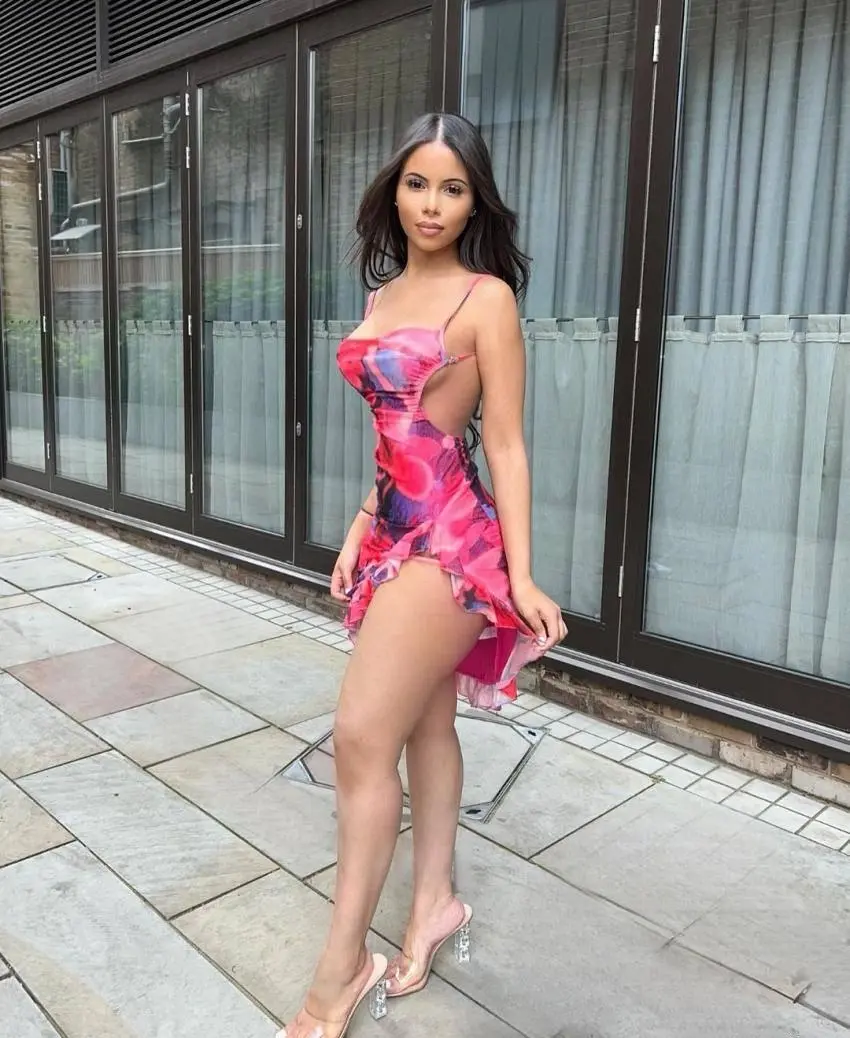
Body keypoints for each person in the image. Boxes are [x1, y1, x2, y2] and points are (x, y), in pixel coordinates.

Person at [279, 111, 567, 1038]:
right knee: (423, 724)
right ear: (393, 191)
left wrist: (523, 575)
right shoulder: (382, 295)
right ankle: (434, 900)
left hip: (451, 545)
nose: (432, 204)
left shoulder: (486, 299)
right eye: (417, 183)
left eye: (453, 187)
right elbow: (395, 439)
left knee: (359, 736)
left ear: (475, 201)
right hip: (393, 534)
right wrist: (359, 528)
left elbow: (506, 444)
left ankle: (338, 973)